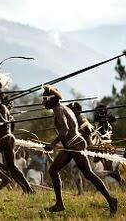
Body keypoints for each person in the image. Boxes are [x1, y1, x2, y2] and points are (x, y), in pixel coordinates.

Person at [42, 84, 117, 216]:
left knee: (88, 174)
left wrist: (52, 144)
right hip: (69, 146)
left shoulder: (59, 110)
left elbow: (65, 129)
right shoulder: (60, 108)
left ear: (53, 99)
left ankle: (111, 200)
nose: (43, 102)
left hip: (75, 145)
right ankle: (59, 204)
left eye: (46, 99)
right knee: (53, 170)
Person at [0, 75, 34, 193]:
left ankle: (28, 189)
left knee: (12, 167)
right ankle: (4, 176)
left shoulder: (1, 108)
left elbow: (5, 124)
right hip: (1, 140)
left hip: (7, 139)